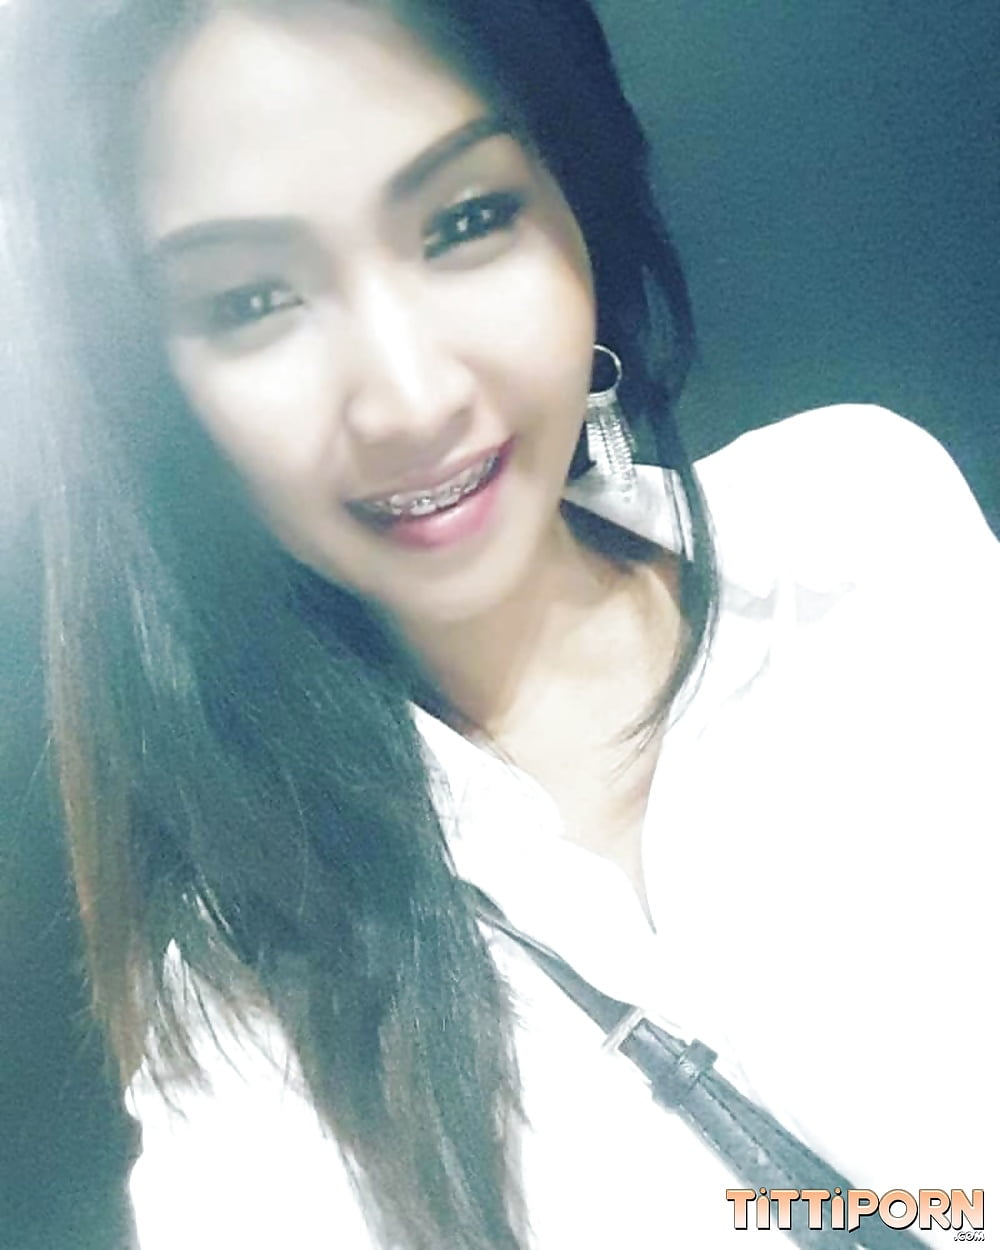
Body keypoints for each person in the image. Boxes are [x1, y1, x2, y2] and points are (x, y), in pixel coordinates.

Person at [5, 1, 996, 1247]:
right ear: (159, 392)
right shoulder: (249, 1002)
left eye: (465, 220)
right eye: (253, 299)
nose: (410, 397)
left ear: (576, 204)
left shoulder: (860, 525)